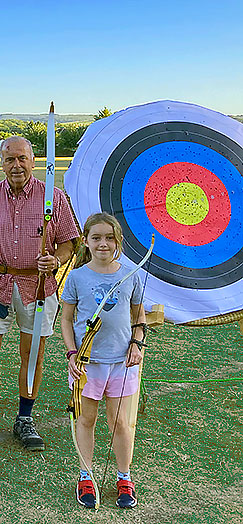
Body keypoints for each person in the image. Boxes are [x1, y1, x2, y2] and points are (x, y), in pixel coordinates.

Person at [0, 135, 80, 451]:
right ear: (2, 163)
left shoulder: (53, 197)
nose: (16, 165)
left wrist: (57, 260)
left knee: (33, 353)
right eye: (10, 159)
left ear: (33, 160)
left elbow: (69, 241)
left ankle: (24, 418)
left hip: (37, 285)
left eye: (22, 158)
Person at [61, 213, 146, 510]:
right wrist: (72, 353)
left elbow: (139, 317)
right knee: (86, 419)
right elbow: (67, 319)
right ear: (85, 241)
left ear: (118, 241)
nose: (103, 244)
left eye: (110, 238)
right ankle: (86, 475)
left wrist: (136, 344)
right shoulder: (77, 277)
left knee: (120, 422)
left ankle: (124, 477)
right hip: (88, 364)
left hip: (122, 363)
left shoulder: (131, 274)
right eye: (96, 238)